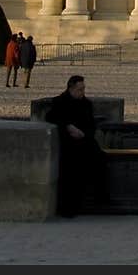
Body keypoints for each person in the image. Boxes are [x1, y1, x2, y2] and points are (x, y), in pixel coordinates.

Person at [45, 75, 109, 218]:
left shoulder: (86, 104)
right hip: (67, 143)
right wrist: (68, 127)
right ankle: (67, 208)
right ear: (71, 89)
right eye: (80, 89)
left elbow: (91, 126)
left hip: (84, 141)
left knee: (100, 160)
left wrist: (83, 134)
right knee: (70, 167)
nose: (82, 92)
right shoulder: (60, 102)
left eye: (83, 89)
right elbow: (51, 118)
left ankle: (99, 200)